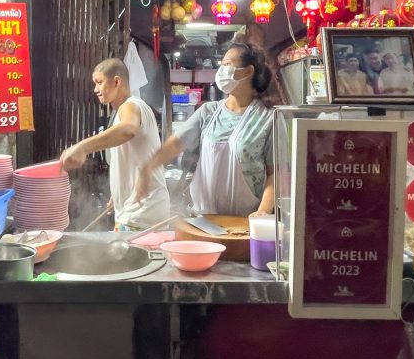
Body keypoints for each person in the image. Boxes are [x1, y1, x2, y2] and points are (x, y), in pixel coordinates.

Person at [134, 42, 275, 217]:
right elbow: (176, 144)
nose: (221, 69)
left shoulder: (267, 119)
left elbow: (275, 174)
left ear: (247, 71)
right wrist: (148, 168)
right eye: (221, 64)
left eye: (228, 64)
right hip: (205, 219)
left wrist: (263, 212)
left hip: (246, 221)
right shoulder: (209, 112)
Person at [60, 58, 171, 231]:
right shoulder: (126, 110)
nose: (95, 89)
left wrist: (82, 147)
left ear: (117, 81)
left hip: (141, 213)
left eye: (99, 82)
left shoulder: (130, 106)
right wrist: (119, 194)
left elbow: (128, 129)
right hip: (141, 210)